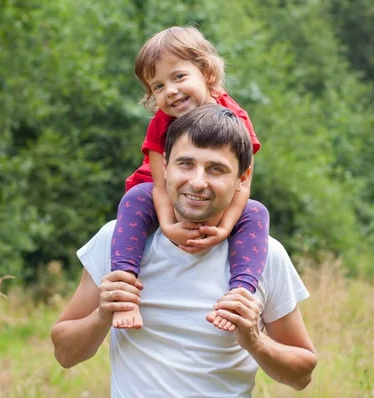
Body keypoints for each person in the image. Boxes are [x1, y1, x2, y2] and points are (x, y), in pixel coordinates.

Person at [51, 105, 317, 397]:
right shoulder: (116, 241)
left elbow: (302, 374)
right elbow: (65, 353)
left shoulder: (266, 255)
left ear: (243, 177)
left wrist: (255, 340)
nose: (198, 181)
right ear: (165, 166)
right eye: (186, 164)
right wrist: (103, 314)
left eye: (216, 169)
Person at [111, 26, 269, 331]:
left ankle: (240, 293)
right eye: (157, 86)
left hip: (215, 201)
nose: (169, 90)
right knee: (134, 198)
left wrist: (223, 230)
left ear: (207, 72)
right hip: (161, 198)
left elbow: (243, 184)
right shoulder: (160, 124)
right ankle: (125, 291)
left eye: (178, 77)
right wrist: (169, 227)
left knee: (256, 213)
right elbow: (158, 184)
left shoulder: (233, 117)